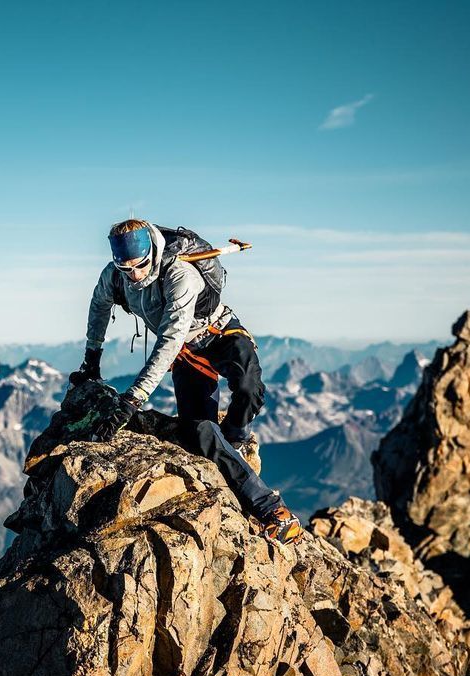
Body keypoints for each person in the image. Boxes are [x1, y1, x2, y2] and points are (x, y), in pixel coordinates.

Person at [69, 218, 303, 544]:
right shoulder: (115, 276)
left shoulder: (181, 275)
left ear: (152, 251)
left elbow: (169, 340)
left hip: (220, 332)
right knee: (200, 432)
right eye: (126, 268)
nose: (134, 275)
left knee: (249, 389)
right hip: (187, 354)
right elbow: (98, 307)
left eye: (139, 266)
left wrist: (132, 400)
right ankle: (264, 503)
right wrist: (91, 360)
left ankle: (236, 439)